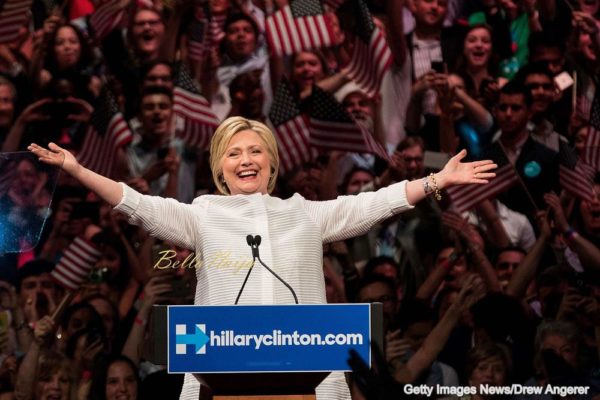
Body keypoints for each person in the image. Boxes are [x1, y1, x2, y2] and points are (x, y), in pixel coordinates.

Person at [28, 116, 496, 399]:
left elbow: (372, 204)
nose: (245, 159)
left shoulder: (304, 213)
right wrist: (77, 169)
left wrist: (436, 181)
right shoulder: (203, 213)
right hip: (221, 366)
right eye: (233, 152)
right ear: (219, 166)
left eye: (255, 151)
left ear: (272, 163)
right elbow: (138, 204)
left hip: (307, 366)